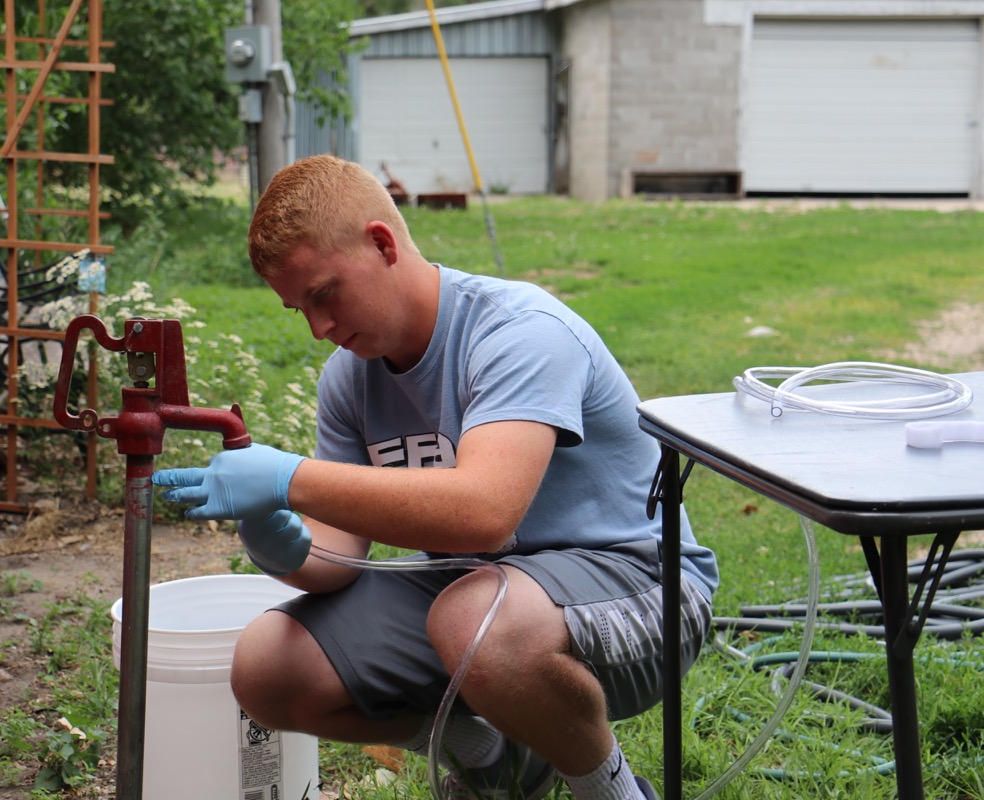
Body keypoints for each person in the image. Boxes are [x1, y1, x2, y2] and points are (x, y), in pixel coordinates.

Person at [152, 155, 718, 800]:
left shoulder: (519, 332)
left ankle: (612, 794)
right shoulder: (350, 376)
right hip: (480, 597)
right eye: (297, 310)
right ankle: (492, 757)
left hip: (641, 591)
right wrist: (279, 540)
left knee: (476, 621)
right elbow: (336, 559)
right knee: (267, 669)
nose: (319, 330)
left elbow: (484, 512)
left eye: (324, 294)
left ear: (382, 243)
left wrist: (291, 477)